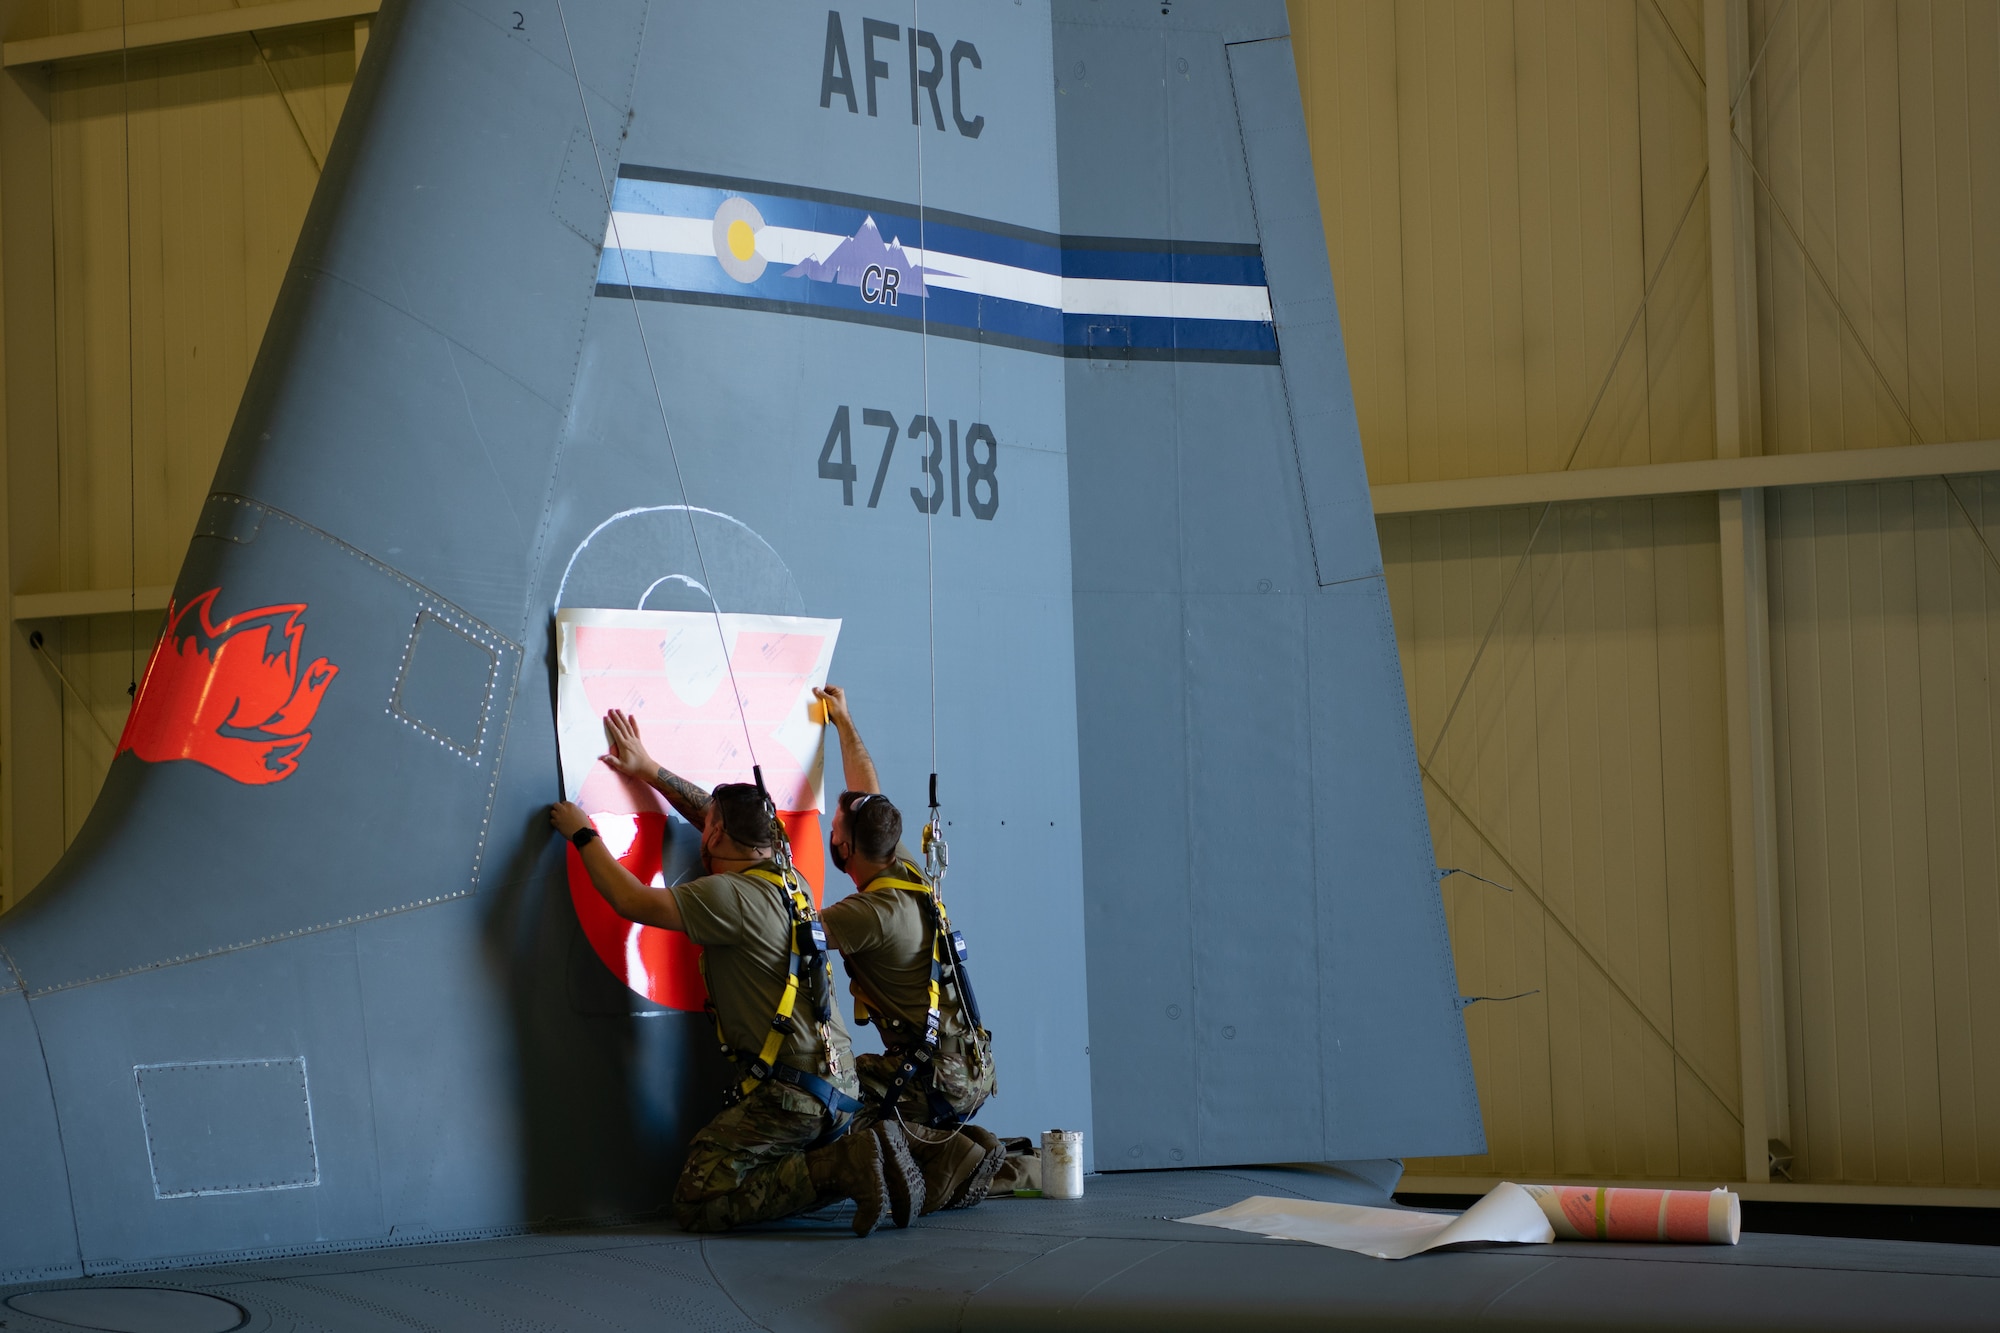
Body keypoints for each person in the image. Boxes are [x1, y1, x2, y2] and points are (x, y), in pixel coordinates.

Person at [549, 708, 926, 1235]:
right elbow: (714, 812)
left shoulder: (727, 894)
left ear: (719, 833)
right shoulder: (790, 876)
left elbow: (630, 901)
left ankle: (841, 1167)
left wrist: (583, 834)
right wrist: (649, 770)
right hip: (839, 1088)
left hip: (794, 1096)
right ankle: (856, 1154)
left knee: (699, 1200)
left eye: (710, 826)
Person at [812, 684, 1005, 1212]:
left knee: (830, 1099)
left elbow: (784, 933)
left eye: (832, 827)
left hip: (929, 1076)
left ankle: (937, 1152)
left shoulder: (864, 914)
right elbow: (866, 792)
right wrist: (844, 722)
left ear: (846, 848)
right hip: (969, 1065)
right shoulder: (904, 870)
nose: (830, 830)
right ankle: (968, 1145)